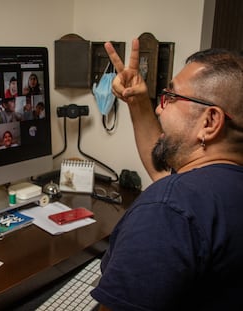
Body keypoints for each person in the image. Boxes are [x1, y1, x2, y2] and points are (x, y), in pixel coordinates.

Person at [90, 39, 243, 311]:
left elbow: (174, 201)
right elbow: (171, 177)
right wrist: (137, 101)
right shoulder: (217, 190)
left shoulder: (167, 209)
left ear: (209, 121)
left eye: (171, 98)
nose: (160, 107)